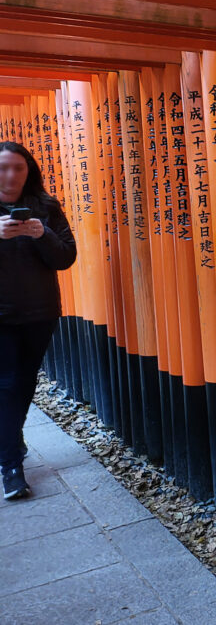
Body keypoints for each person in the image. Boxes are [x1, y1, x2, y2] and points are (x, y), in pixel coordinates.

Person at [0, 141, 76, 499]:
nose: (11, 175)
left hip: (39, 312)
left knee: (25, 381)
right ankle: (11, 466)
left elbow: (66, 258)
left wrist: (42, 233)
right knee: (8, 382)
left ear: (28, 170)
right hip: (1, 315)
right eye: (3, 168)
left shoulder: (45, 207)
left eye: (18, 167)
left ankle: (11, 437)